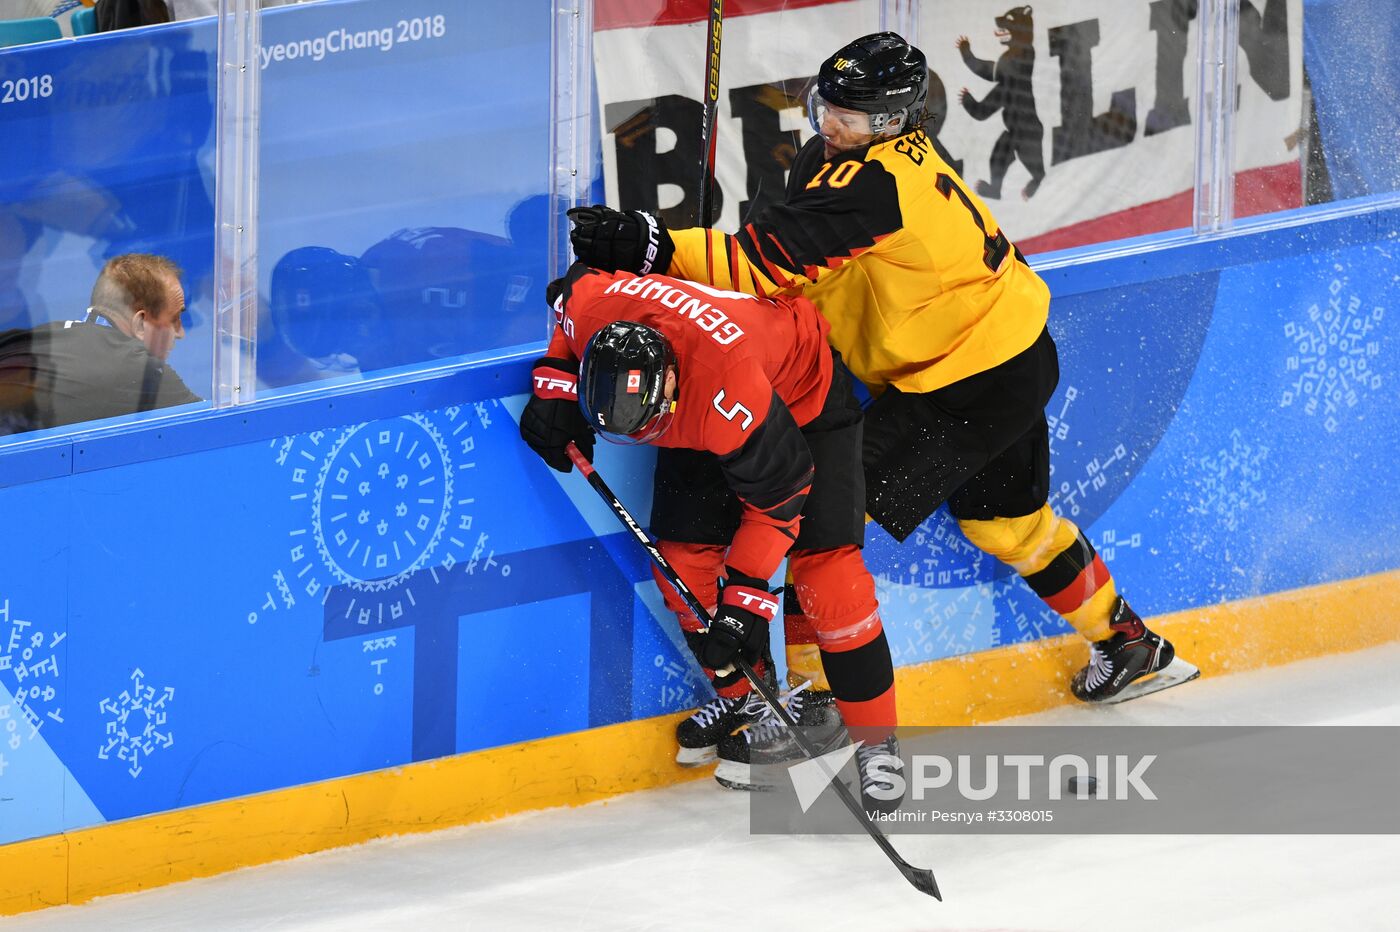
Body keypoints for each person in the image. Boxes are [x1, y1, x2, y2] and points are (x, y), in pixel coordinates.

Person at [566, 33, 1198, 704]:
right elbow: (801, 267)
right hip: (1010, 353)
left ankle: (810, 698)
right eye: (826, 104)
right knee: (1003, 525)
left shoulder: (870, 184)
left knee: (822, 520)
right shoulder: (850, 161)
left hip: (965, 385)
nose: (830, 123)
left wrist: (653, 247)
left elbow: (759, 264)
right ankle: (1129, 643)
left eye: (850, 115)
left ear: (894, 121)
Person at [519, 261, 903, 809]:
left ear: (670, 382)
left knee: (829, 576)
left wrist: (744, 601)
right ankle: (756, 704)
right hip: (700, 414)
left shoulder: (729, 393)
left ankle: (877, 747)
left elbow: (777, 505)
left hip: (802, 400)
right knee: (681, 567)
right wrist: (556, 386)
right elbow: (568, 293)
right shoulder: (592, 309)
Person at [0, 253, 200, 434]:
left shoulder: (32, 336)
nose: (180, 332)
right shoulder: (140, 369)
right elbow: (215, 431)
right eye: (174, 318)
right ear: (140, 324)